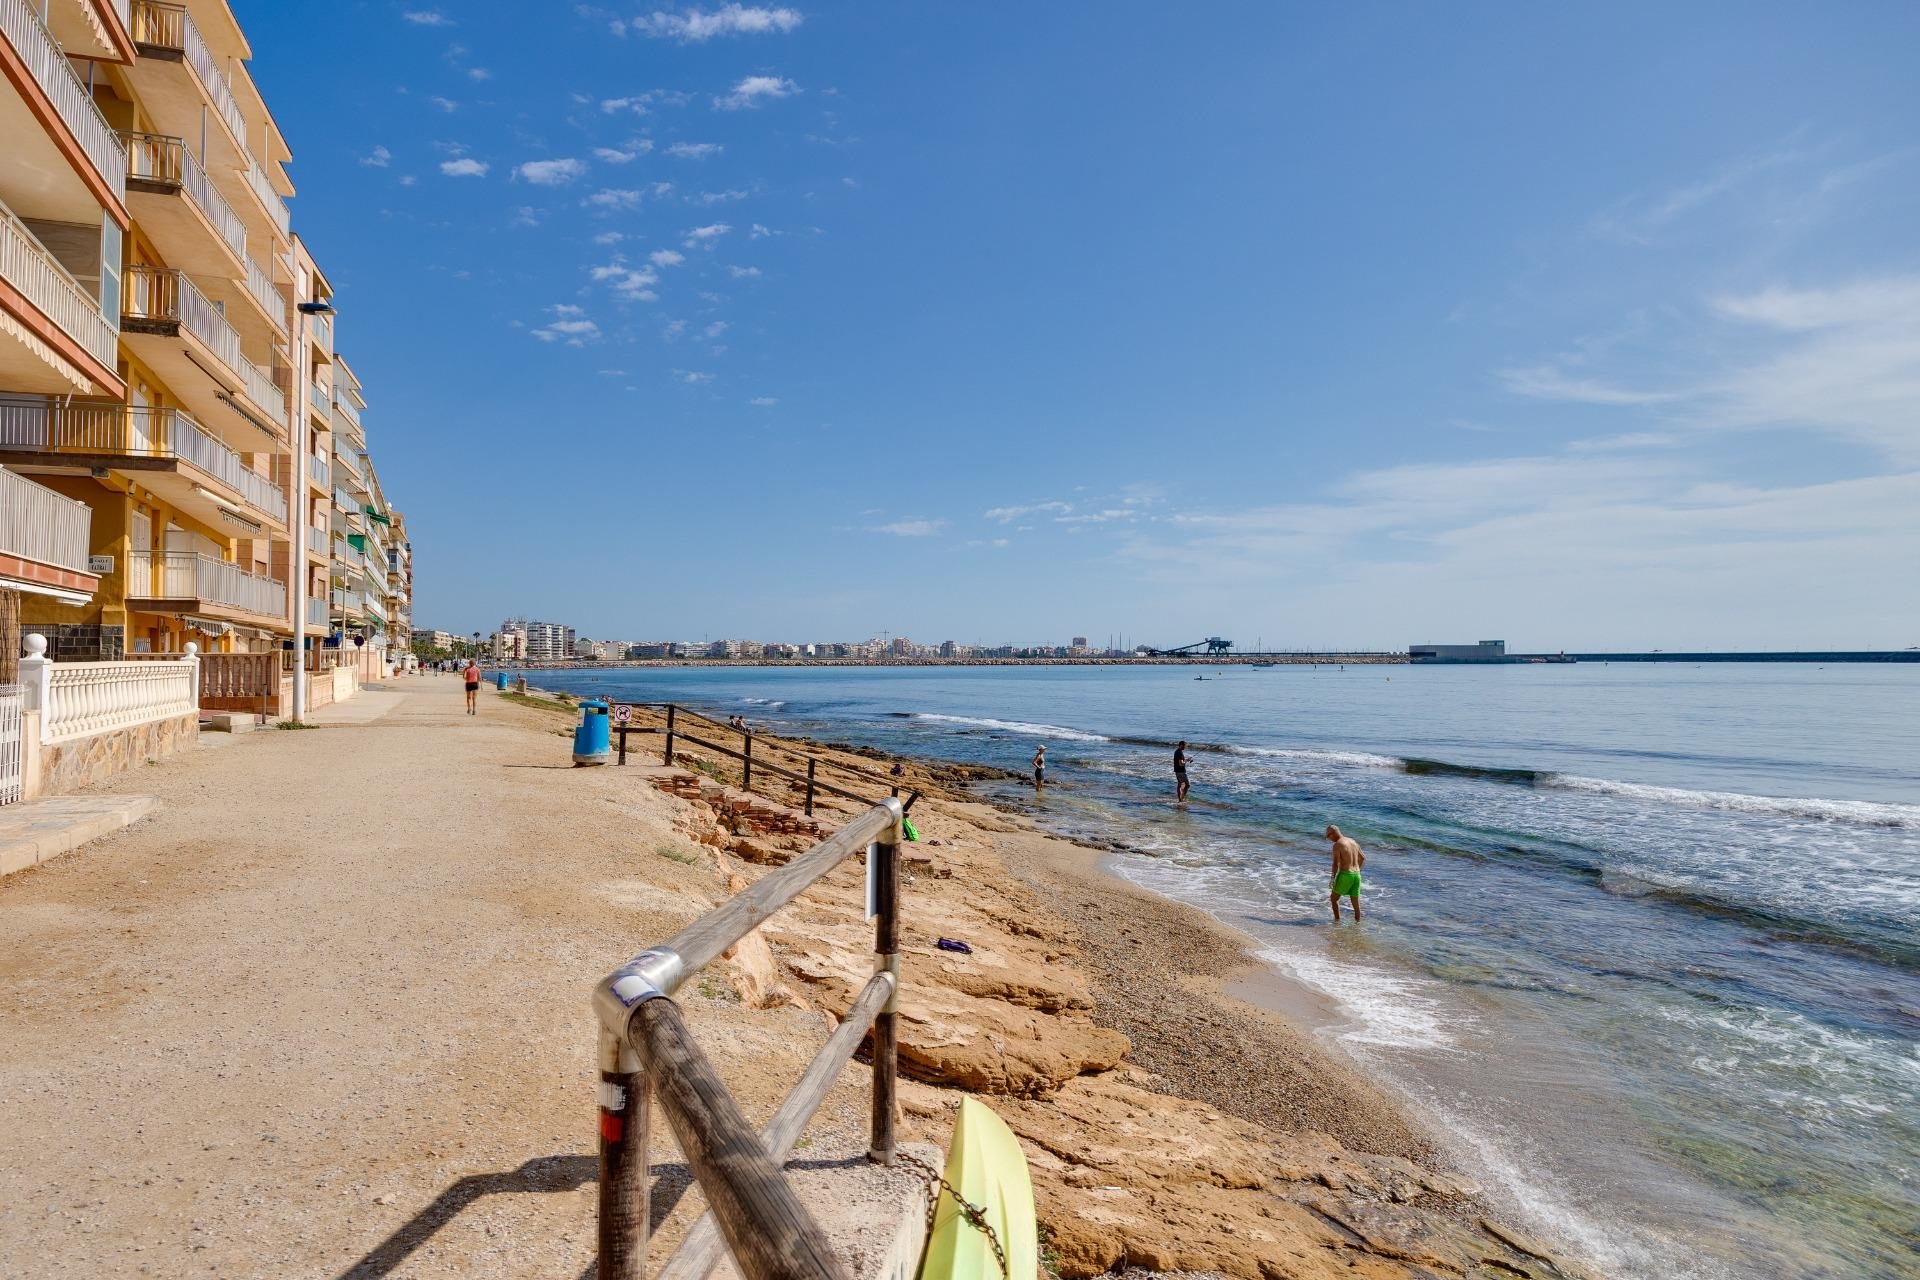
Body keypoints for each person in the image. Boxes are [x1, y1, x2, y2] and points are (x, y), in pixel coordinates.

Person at [1327, 825, 1365, 921]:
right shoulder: (1353, 841)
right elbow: (1363, 858)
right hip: (1357, 875)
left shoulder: (1337, 845)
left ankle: (1337, 922)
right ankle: (1357, 924)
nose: (1329, 839)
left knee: (1333, 899)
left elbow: (1335, 864)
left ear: (1333, 834)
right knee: (1355, 903)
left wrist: (1332, 879)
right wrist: (1357, 870)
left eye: (1328, 836)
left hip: (1345, 874)